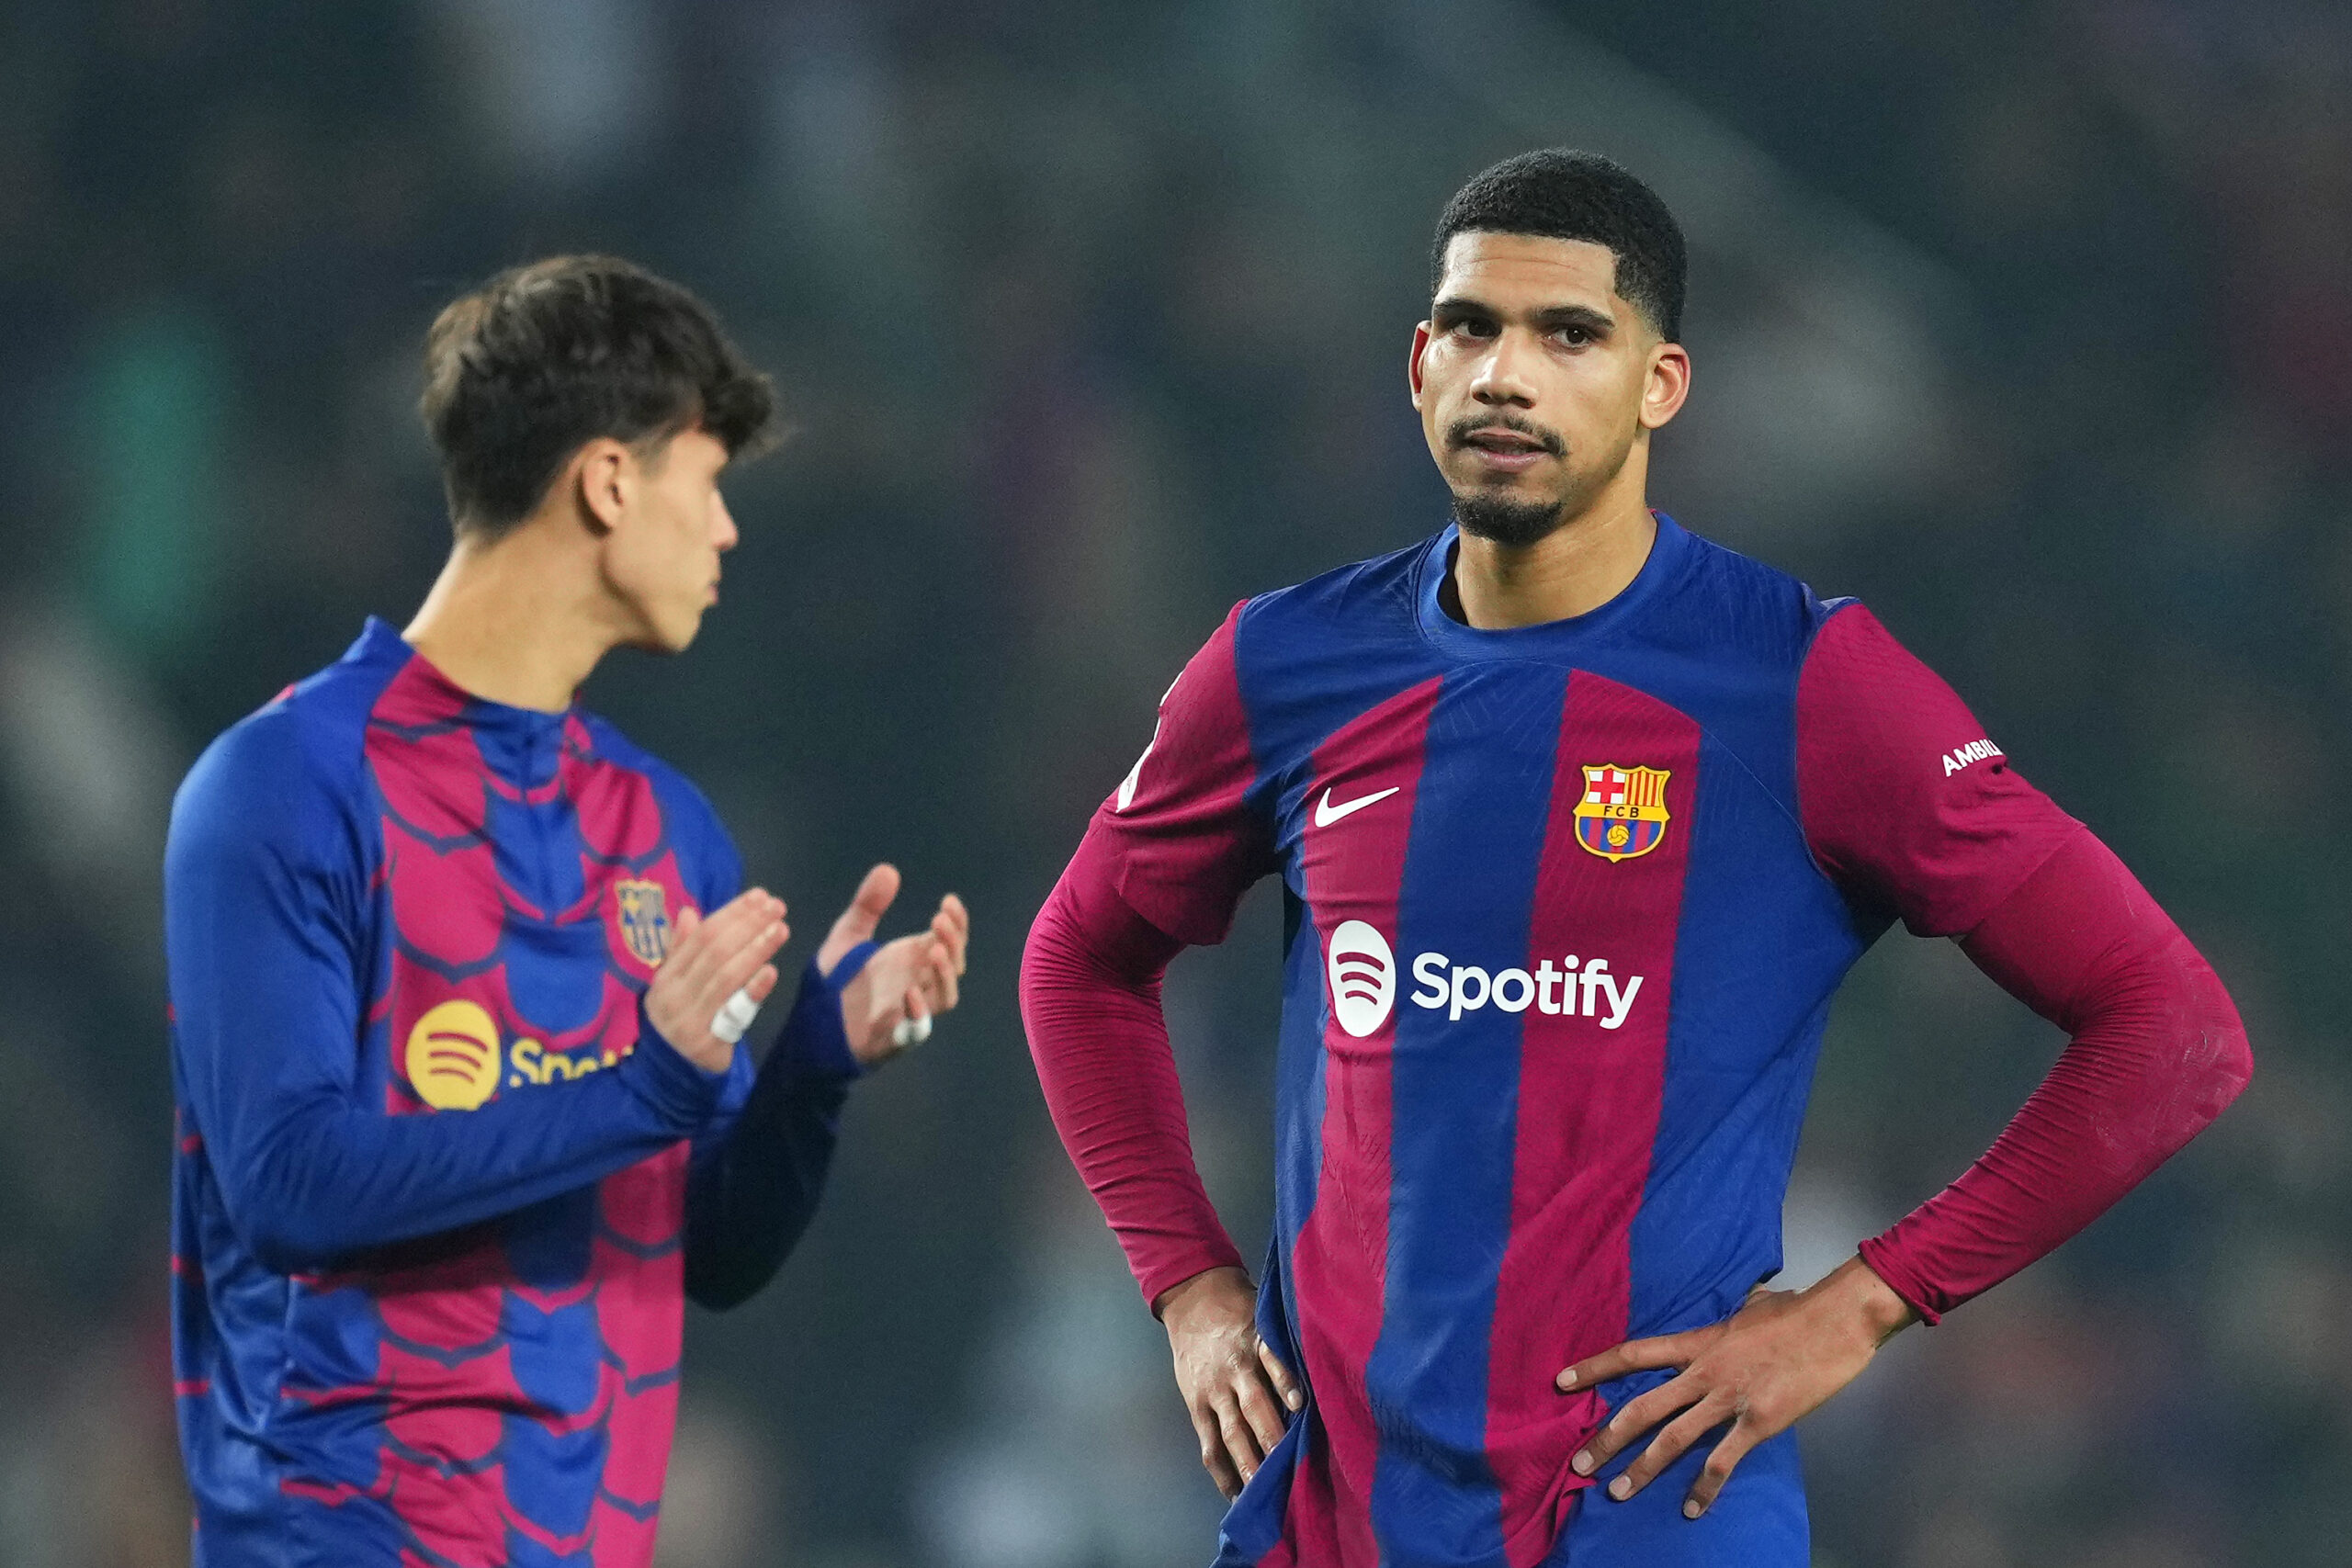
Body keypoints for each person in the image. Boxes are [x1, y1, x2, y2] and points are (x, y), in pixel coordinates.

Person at [1019, 150, 2251, 1567]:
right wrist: (1186, 1285)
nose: (1505, 375)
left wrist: (1860, 1308)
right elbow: (1079, 958)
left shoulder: (1805, 682)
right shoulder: (1285, 665)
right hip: (1331, 1520)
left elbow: (2175, 1031)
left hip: (1654, 1516)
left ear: (1661, 383)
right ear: (1419, 362)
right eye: (1472, 328)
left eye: (1569, 336)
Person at [165, 254, 969, 1567]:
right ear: (608, 482)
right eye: (707, 487)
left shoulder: (667, 833)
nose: (727, 534)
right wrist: (645, 1086)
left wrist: (813, 1068)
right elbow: (288, 1188)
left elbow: (701, 1246)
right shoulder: (282, 787)